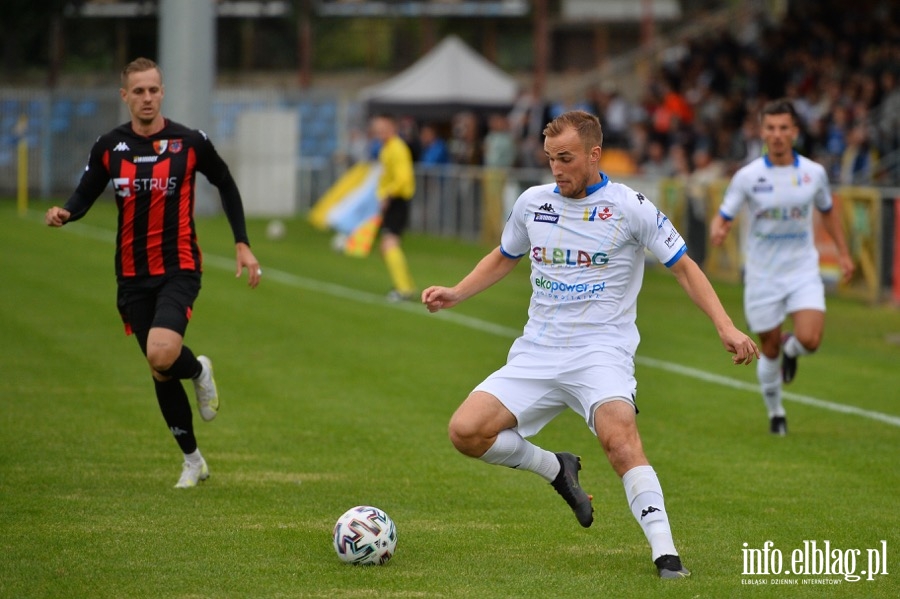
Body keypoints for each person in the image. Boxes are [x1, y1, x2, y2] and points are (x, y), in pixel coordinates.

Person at [422, 110, 759, 578]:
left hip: (600, 351)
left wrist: (725, 325)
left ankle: (667, 556)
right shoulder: (533, 202)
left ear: (594, 154)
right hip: (537, 352)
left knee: (619, 440)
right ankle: (557, 469)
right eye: (550, 159)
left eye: (566, 158)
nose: (557, 169)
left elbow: (683, 265)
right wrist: (457, 292)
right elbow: (505, 256)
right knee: (465, 432)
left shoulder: (630, 206)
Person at [45, 57, 262, 488]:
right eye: (138, 91)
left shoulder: (188, 142)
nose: (147, 98)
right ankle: (193, 460)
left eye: (153, 90)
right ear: (125, 96)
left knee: (162, 353)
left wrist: (242, 241)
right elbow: (87, 191)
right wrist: (66, 212)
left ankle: (199, 372)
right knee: (159, 369)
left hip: (179, 266)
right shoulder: (110, 146)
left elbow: (225, 181)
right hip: (130, 274)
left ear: (163, 92)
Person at [710, 98, 854, 436]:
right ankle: (776, 413)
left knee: (811, 338)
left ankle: (795, 348)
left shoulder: (813, 173)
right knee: (768, 347)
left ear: (795, 132)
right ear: (762, 131)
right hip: (762, 274)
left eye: (783, 128)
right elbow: (726, 211)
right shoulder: (748, 176)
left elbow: (828, 211)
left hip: (802, 269)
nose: (777, 135)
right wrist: (719, 225)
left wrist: (844, 254)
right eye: (771, 128)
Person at [370, 114, 417, 302]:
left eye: (383, 127)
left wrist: (388, 195)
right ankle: (406, 286)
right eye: (377, 128)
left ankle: (404, 289)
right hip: (391, 201)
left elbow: (403, 178)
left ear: (392, 127)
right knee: (386, 247)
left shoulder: (397, 148)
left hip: (397, 201)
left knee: (389, 244)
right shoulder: (386, 148)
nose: (379, 131)